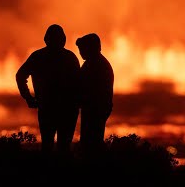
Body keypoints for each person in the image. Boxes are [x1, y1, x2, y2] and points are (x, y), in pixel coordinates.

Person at [15, 24, 80, 153]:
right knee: (64, 147)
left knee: (47, 145)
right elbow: (79, 83)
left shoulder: (38, 56)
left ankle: (46, 171)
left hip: (48, 108)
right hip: (67, 109)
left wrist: (28, 97)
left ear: (46, 39)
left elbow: (20, 75)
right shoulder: (70, 57)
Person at [76, 33, 114, 154]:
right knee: (92, 141)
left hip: (95, 109)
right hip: (95, 108)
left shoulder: (96, 65)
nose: (80, 52)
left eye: (82, 49)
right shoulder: (94, 63)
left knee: (91, 143)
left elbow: (87, 87)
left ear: (91, 48)